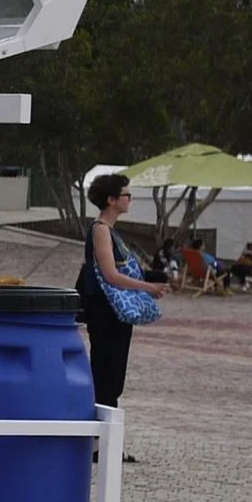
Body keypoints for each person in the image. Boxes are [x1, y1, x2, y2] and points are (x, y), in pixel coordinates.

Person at [78, 173, 166, 457]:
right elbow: (111, 274)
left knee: (113, 375)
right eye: (126, 195)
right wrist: (148, 287)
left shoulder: (111, 231)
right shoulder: (101, 230)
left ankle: (104, 441)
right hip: (106, 311)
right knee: (106, 373)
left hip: (113, 312)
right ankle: (98, 442)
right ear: (111, 199)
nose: (130, 199)